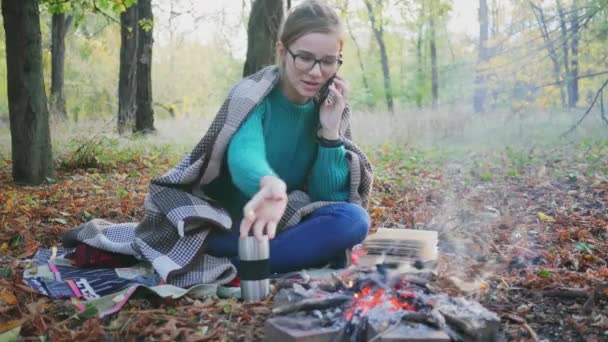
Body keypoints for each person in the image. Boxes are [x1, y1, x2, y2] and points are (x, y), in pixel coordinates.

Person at [202, 0, 372, 274]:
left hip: (286, 220)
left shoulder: (329, 105)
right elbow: (244, 153)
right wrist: (269, 184)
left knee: (353, 220)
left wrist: (329, 133)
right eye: (305, 57)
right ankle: (266, 260)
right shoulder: (253, 96)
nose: (316, 72)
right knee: (213, 238)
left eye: (328, 61)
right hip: (234, 221)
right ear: (282, 51)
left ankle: (249, 263)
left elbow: (327, 197)